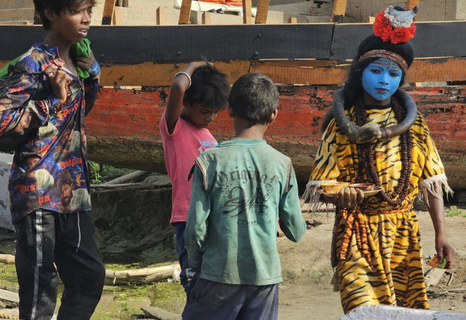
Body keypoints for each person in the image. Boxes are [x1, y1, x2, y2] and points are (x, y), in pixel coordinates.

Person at [303, 6, 456, 314]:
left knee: (404, 312)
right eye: (376, 71)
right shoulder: (341, 125)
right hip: (356, 231)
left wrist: (441, 233)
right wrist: (341, 196)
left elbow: (432, 180)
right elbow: (323, 184)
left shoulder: (416, 125)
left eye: (393, 73)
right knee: (363, 310)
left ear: (401, 77)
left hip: (404, 234)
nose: (384, 80)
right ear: (361, 73)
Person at [0, 0, 105, 319]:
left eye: (88, 12)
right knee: (40, 296)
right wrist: (50, 99)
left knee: (89, 280)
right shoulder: (33, 63)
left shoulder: (78, 61)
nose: (86, 19)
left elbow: (80, 113)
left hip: (74, 192)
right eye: (77, 11)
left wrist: (91, 71)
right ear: (51, 14)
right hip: (38, 191)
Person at [183, 73, 307, 320]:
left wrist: (195, 266)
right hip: (264, 277)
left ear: (229, 109)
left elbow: (195, 228)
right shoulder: (282, 164)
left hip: (217, 275)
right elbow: (295, 231)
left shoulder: (210, 161)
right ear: (273, 114)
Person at [159, 61, 230, 291]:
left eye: (214, 112)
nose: (209, 117)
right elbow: (179, 86)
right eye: (204, 111)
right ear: (187, 104)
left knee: (214, 279)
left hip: (213, 216)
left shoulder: (208, 134)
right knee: (195, 279)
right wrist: (196, 65)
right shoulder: (175, 128)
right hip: (188, 216)